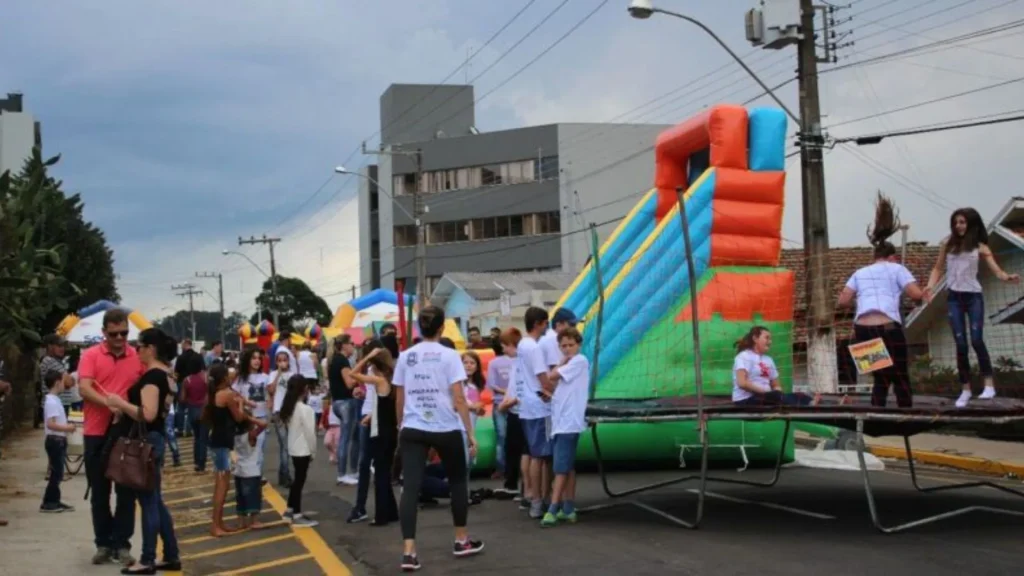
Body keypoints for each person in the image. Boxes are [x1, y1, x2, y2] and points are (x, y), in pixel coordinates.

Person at [392, 305, 483, 572]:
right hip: (446, 427)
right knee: (457, 482)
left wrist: (401, 424)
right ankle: (461, 539)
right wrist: (470, 433)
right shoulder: (450, 355)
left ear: (419, 328)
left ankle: (409, 552)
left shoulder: (406, 356)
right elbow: (458, 398)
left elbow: (400, 397)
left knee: (410, 487)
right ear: (442, 328)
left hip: (413, 427)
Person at [838, 194, 929, 408]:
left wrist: (863, 300)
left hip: (862, 329)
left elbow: (842, 300)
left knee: (879, 377)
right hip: (887, 327)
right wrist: (923, 294)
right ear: (891, 257)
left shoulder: (860, 272)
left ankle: (877, 414)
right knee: (900, 375)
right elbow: (915, 295)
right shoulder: (897, 268)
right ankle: (906, 415)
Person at [103, 328, 182, 574]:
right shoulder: (168, 374)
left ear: (151, 348)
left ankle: (148, 558)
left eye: (140, 346)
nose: (137, 351)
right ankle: (170, 554)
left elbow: (146, 414)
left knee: (148, 501)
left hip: (146, 440)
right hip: (156, 439)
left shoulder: (152, 377)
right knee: (156, 500)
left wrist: (120, 404)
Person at [926, 207, 1020, 406]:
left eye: (962, 222)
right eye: (956, 222)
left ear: (971, 224)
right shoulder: (947, 244)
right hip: (954, 298)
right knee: (960, 344)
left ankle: (988, 385)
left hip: (973, 297)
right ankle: (965, 389)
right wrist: (929, 287)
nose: (958, 225)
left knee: (977, 340)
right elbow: (937, 268)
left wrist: (1007, 277)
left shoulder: (981, 247)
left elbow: (997, 271)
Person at [77, 308, 144, 566]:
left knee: (126, 491)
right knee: (100, 492)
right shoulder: (91, 355)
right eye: (114, 334)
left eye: (124, 333)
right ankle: (103, 543)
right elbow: (84, 388)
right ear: (104, 332)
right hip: (96, 433)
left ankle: (122, 544)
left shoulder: (136, 357)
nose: (119, 338)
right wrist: (108, 403)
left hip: (126, 434)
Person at [541, 327, 590, 526]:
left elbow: (551, 376)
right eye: (563, 346)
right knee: (566, 466)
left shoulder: (579, 361)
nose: (567, 349)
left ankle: (554, 507)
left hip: (568, 423)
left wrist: (560, 363)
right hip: (562, 422)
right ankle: (568, 507)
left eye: (571, 345)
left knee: (560, 468)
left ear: (578, 345)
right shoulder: (573, 365)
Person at [349, 342, 400, 526]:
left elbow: (352, 374)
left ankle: (381, 516)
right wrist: (371, 416)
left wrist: (367, 357)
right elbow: (385, 407)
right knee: (384, 473)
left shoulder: (380, 380)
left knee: (380, 474)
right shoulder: (391, 380)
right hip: (390, 431)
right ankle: (391, 512)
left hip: (381, 433)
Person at [204, 363, 257, 537]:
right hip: (222, 443)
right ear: (224, 378)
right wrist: (241, 403)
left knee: (222, 484)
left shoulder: (214, 394)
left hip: (218, 441)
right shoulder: (226, 394)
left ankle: (219, 523)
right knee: (222, 485)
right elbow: (239, 417)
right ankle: (215, 524)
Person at [518, 306, 555, 519]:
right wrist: (555, 389)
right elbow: (542, 375)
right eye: (545, 323)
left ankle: (534, 496)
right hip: (540, 404)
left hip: (527, 404)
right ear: (539, 323)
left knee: (534, 454)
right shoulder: (533, 347)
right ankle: (539, 500)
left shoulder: (523, 344)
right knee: (541, 456)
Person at [731, 327, 818, 407]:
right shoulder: (744, 356)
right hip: (746, 400)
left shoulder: (768, 360)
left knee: (797, 395)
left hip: (766, 397)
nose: (770, 342)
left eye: (770, 339)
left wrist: (778, 392)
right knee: (775, 396)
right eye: (767, 338)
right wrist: (765, 392)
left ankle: (810, 402)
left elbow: (776, 384)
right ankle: (807, 406)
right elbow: (742, 383)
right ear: (755, 339)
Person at [280, 374, 319, 527]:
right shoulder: (306, 409)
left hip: (294, 448)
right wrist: (313, 451)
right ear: (305, 389)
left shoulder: (289, 407)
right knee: (299, 482)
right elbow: (311, 434)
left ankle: (290, 510)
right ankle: (296, 513)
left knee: (297, 481)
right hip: (304, 450)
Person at [496, 328, 529, 500]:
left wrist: (510, 401)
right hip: (513, 410)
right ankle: (511, 484)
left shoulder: (523, 362)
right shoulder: (515, 362)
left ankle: (525, 488)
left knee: (523, 451)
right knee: (511, 448)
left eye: (504, 346)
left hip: (522, 411)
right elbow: (512, 387)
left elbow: (523, 387)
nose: (503, 349)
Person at [41, 371, 76, 513]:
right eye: (63, 381)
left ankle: (54, 499)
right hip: (55, 440)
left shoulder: (55, 400)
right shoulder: (51, 401)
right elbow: (51, 424)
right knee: (57, 473)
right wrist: (67, 428)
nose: (65, 384)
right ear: (57, 383)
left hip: (58, 439)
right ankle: (49, 502)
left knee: (58, 472)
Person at [327, 335, 360, 486]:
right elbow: (349, 383)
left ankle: (350, 472)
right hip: (345, 402)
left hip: (337, 402)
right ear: (344, 345)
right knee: (347, 438)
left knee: (350, 437)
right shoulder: (342, 360)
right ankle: (343, 473)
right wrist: (360, 378)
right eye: (351, 343)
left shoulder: (334, 360)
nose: (353, 346)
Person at [232, 348, 269, 475]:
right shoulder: (241, 379)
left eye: (259, 358)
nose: (257, 361)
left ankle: (257, 476)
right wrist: (246, 402)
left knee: (259, 450)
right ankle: (246, 476)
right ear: (247, 360)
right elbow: (233, 395)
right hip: (246, 420)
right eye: (254, 358)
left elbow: (272, 393)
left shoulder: (266, 377)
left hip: (262, 418)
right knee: (246, 450)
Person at [233, 415, 268, 530]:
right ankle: (254, 520)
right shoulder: (250, 436)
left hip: (239, 470)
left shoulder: (235, 436)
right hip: (251, 471)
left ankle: (241, 521)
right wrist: (248, 417)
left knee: (241, 497)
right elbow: (263, 424)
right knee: (253, 497)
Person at [486, 337, 513, 480]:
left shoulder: (493, 363)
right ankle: (512, 467)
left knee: (501, 437)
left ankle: (501, 468)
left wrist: (504, 392)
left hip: (500, 403)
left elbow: (492, 384)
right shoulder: (514, 361)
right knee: (513, 436)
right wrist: (510, 392)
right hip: (514, 402)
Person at [269, 350, 296, 488]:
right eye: (279, 360)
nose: (282, 362)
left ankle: (282, 474)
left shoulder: (292, 375)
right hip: (278, 412)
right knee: (284, 445)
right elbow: (271, 390)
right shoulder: (273, 374)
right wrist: (278, 373)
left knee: (288, 445)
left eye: (284, 360)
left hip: (290, 412)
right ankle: (286, 475)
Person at [181, 354, 209, 472]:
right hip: (205, 409)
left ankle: (196, 461)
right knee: (204, 438)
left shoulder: (186, 380)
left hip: (192, 410)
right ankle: (202, 462)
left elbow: (182, 398)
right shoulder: (206, 378)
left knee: (196, 437)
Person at [39, 334, 75, 416]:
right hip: (54, 404)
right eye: (59, 345)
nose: (62, 348)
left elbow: (71, 382)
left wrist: (69, 380)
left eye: (63, 346)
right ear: (50, 346)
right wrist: (68, 380)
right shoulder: (49, 360)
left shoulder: (58, 361)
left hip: (59, 403)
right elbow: (69, 382)